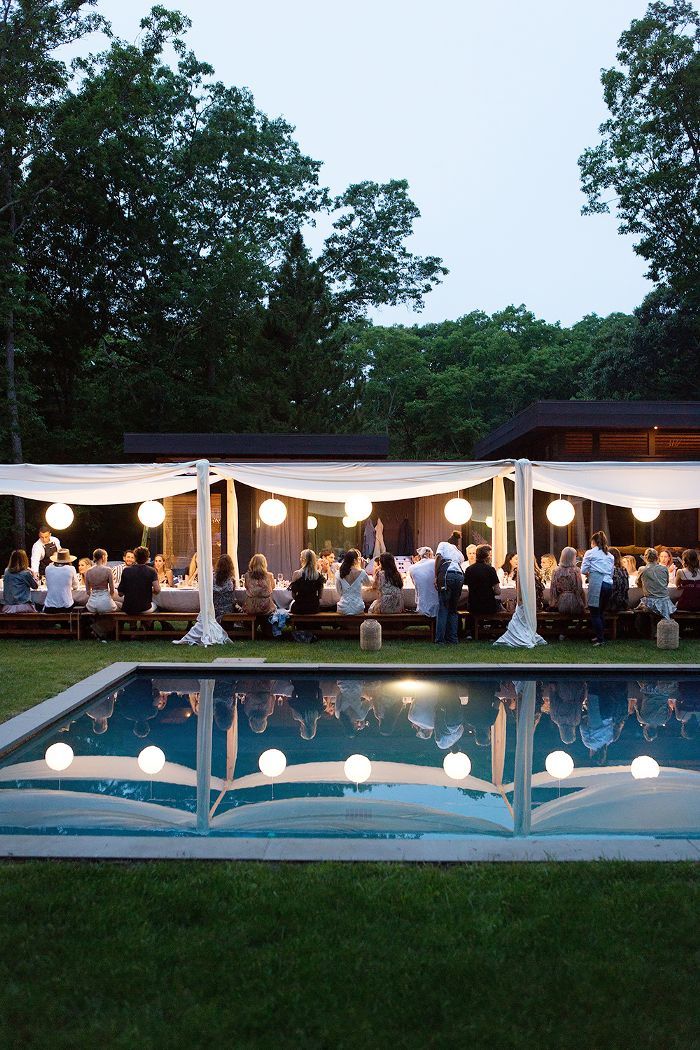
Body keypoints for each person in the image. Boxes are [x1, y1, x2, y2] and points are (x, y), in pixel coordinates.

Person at [581, 531, 614, 646]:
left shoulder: (590, 553)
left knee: (594, 613)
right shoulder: (610, 556)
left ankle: (600, 640)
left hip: (597, 583)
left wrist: (590, 573)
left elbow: (583, 570)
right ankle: (600, 636)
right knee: (601, 613)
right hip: (608, 584)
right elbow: (611, 572)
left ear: (593, 542)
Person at [434, 531, 464, 644]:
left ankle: (440, 640)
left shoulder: (442, 544)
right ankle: (453, 639)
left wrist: (436, 576)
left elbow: (438, 558)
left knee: (443, 608)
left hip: (447, 574)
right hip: (459, 576)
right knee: (453, 609)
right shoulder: (459, 553)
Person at [118, 545, 160, 615]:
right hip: (145, 607)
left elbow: (120, 593)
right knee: (158, 606)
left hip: (129, 607)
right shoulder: (152, 571)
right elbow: (157, 590)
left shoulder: (126, 570)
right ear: (147, 558)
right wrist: (149, 590)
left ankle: (133, 626)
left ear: (135, 557)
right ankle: (146, 625)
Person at [637, 547, 676, 619]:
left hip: (651, 603)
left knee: (638, 609)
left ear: (645, 558)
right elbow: (666, 583)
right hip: (665, 603)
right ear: (657, 558)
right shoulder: (664, 569)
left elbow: (638, 583)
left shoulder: (642, 569)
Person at [463, 544, 501, 615]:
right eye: (490, 555)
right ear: (487, 556)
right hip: (488, 607)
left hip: (473, 607)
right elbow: (497, 591)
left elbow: (467, 587)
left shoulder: (469, 569)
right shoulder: (490, 570)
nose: (491, 557)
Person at [549, 546, 586, 616]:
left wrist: (553, 603)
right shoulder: (576, 570)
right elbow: (579, 589)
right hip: (575, 603)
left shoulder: (556, 571)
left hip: (561, 603)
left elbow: (553, 590)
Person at [407, 547, 439, 619]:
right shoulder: (435, 563)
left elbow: (414, 584)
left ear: (420, 556)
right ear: (430, 554)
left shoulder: (412, 568)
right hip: (436, 604)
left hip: (422, 606)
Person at [335, 549, 370, 615]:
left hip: (343, 607)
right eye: (358, 559)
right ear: (355, 560)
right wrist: (362, 568)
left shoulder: (339, 573)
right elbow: (368, 584)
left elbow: (339, 592)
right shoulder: (361, 572)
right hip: (358, 607)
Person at [290, 549, 325, 614]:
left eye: (301, 557)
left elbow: (293, 595)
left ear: (303, 559)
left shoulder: (297, 574)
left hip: (299, 607)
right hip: (314, 608)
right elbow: (320, 596)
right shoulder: (318, 575)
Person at [85, 548, 118, 612]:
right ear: (103, 557)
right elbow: (112, 590)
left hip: (92, 605)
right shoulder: (108, 570)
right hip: (105, 602)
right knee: (119, 605)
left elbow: (88, 592)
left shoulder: (88, 571)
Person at [213, 554, 239, 622]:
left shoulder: (212, 579)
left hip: (215, 611)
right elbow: (232, 599)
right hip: (228, 612)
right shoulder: (231, 580)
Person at [607, 547, 630, 613]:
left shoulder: (609, 570)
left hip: (612, 604)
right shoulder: (624, 570)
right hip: (624, 603)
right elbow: (626, 587)